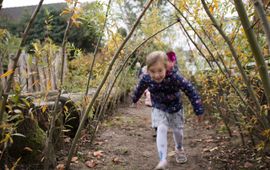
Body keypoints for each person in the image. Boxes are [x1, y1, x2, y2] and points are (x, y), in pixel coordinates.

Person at [132, 51, 203, 169]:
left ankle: (179, 148)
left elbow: (190, 90)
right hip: (159, 107)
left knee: (177, 131)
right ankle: (162, 159)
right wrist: (134, 99)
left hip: (175, 107)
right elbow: (139, 88)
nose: (156, 75)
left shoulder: (175, 77)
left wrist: (198, 109)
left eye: (160, 71)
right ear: (148, 70)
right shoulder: (146, 78)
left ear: (166, 67)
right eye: (152, 71)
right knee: (161, 128)